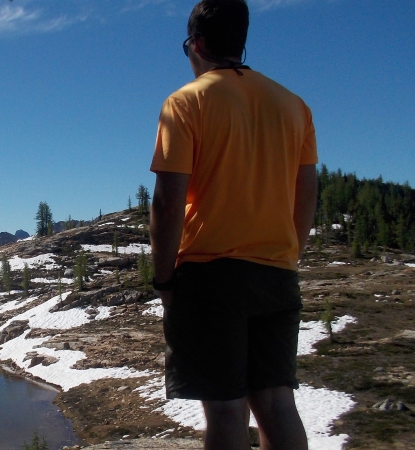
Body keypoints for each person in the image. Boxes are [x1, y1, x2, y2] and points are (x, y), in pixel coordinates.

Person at [148, 1, 318, 449]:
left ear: (197, 44)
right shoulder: (293, 105)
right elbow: (307, 192)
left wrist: (164, 278)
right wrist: (288, 257)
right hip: (277, 274)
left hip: (211, 277)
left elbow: (167, 203)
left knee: (225, 409)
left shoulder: (186, 102)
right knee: (277, 403)